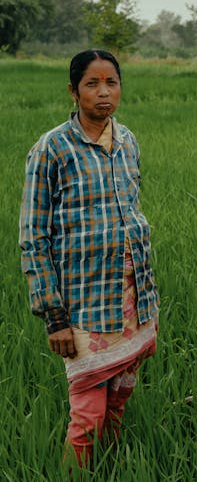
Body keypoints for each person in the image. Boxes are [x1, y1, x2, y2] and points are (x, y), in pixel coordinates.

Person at [19, 50, 159, 468]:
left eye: (111, 82)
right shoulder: (52, 148)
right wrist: (54, 318)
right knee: (87, 415)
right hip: (83, 304)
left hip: (132, 296)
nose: (103, 92)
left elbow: (131, 210)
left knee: (118, 400)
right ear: (73, 90)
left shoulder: (127, 140)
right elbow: (34, 237)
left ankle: (110, 468)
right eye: (91, 84)